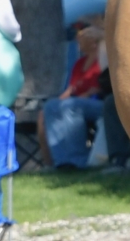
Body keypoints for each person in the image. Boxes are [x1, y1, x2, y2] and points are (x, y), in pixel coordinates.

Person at [43, 18, 110, 170]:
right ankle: (61, 162)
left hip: (101, 103)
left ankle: (77, 161)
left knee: (69, 106)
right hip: (78, 103)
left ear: (92, 41)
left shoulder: (103, 56)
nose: (77, 41)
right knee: (50, 106)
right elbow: (71, 89)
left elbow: (103, 84)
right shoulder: (79, 63)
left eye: (82, 38)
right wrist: (57, 102)